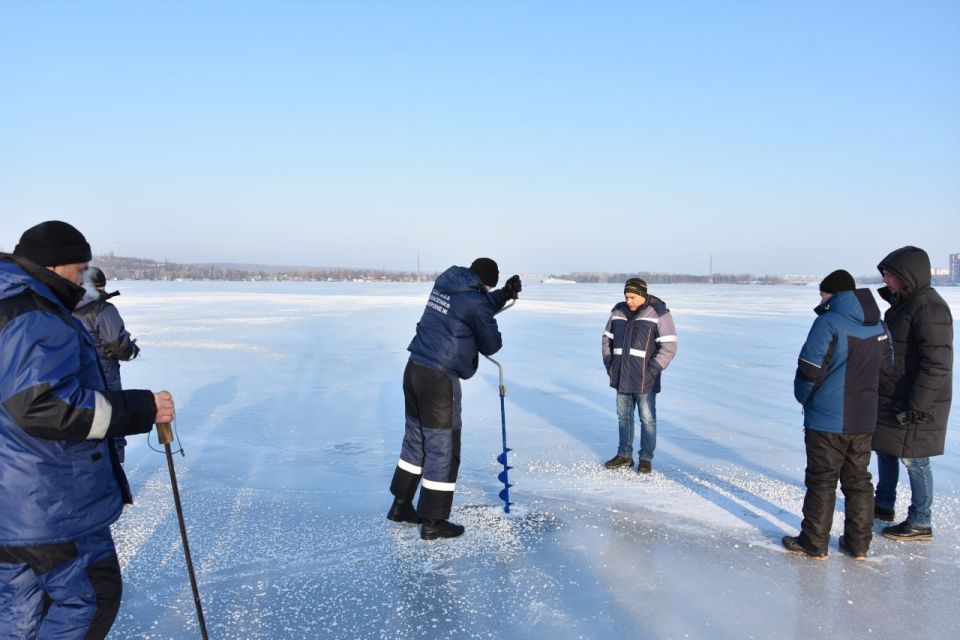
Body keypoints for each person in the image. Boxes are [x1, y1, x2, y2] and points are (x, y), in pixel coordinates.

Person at [0, 221, 175, 639]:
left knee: (19, 608)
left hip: (13, 500)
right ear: (54, 264)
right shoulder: (34, 315)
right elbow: (43, 406)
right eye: (79, 270)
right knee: (91, 598)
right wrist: (142, 407)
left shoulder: (13, 304)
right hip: (49, 502)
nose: (83, 281)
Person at [387, 258, 521, 540]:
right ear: (486, 283)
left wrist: (504, 295)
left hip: (414, 369)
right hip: (438, 380)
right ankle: (434, 521)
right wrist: (494, 302)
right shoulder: (475, 301)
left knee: (415, 441)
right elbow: (491, 343)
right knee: (443, 448)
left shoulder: (447, 284)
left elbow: (473, 307)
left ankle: (401, 505)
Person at [782, 270, 891, 560]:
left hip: (827, 420)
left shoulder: (827, 322)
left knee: (822, 480)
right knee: (859, 482)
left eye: (822, 293)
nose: (820, 298)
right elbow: (888, 369)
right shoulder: (879, 325)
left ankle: (814, 543)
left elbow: (808, 368)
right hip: (864, 418)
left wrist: (804, 398)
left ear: (834, 294)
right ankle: (858, 545)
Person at [872, 246, 953, 541]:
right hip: (894, 394)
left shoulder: (930, 308)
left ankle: (921, 520)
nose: (885, 280)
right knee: (885, 447)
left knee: (914, 458)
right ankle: (883, 504)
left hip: (918, 400)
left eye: (890, 275)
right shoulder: (903, 305)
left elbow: (937, 363)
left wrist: (918, 404)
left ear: (908, 275)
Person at [601, 277, 677, 473]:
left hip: (645, 379)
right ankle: (624, 455)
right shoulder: (618, 311)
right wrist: (610, 365)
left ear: (642, 295)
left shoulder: (659, 313)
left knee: (647, 419)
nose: (629, 301)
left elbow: (669, 347)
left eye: (633, 297)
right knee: (623, 418)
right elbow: (606, 340)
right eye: (626, 297)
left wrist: (652, 370)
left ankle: (645, 459)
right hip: (621, 376)